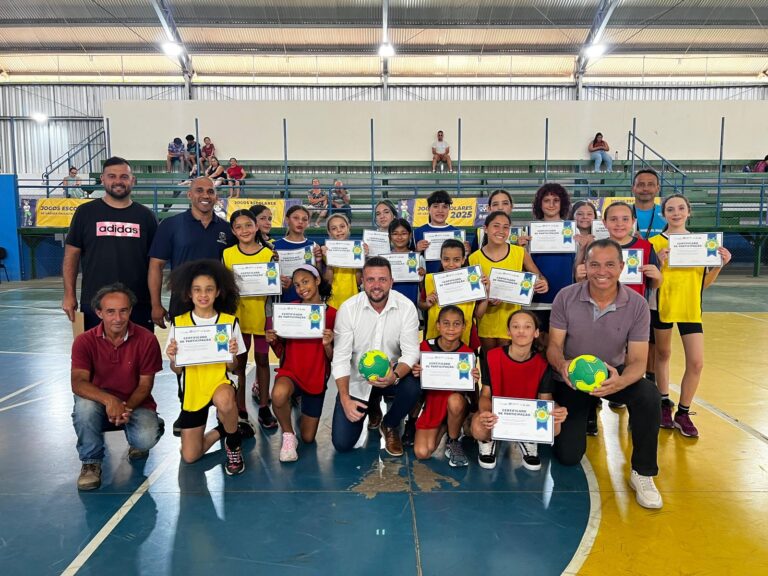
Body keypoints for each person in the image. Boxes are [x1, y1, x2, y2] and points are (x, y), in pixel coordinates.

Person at [547, 238, 663, 509]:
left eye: (610, 265)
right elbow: (553, 346)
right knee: (568, 456)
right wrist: (562, 365)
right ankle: (581, 415)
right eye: (595, 264)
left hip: (612, 372)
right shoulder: (566, 296)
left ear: (622, 266)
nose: (602, 271)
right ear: (585, 266)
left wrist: (618, 383)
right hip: (572, 377)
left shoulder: (637, 304)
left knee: (649, 395)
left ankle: (643, 472)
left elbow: (638, 361)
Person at [650, 194, 731, 438]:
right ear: (663, 214)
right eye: (670, 209)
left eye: (681, 208)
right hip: (662, 306)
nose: (676, 213)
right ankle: (664, 404)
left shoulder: (702, 244)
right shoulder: (654, 243)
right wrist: (658, 263)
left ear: (688, 212)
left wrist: (719, 265)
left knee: (696, 362)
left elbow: (703, 284)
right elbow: (650, 283)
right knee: (662, 355)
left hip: (690, 308)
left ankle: (683, 413)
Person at [580, 200, 663, 435]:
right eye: (613, 219)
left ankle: (634, 409)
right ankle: (590, 408)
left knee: (633, 361)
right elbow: (582, 282)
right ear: (604, 222)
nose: (619, 223)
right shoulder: (595, 248)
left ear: (633, 222)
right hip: (599, 313)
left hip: (632, 315)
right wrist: (579, 274)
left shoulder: (646, 247)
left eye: (625, 219)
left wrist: (657, 276)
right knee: (594, 360)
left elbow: (655, 284)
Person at [71, 284, 164, 491]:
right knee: (84, 407)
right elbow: (78, 383)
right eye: (110, 312)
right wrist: (110, 401)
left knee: (144, 440)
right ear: (99, 313)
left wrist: (125, 407)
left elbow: (145, 385)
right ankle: (90, 462)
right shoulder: (84, 341)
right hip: (98, 402)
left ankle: (150, 426)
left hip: (135, 403)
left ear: (130, 310)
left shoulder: (147, 339)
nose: (118, 318)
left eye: (123, 311)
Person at [331, 257, 421, 456]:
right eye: (370, 279)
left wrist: (394, 376)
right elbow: (340, 358)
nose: (376, 285)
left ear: (391, 281)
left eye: (382, 279)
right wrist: (345, 398)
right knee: (342, 443)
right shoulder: (348, 309)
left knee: (415, 382)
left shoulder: (406, 307)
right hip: (358, 380)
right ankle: (372, 405)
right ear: (362, 281)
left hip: (392, 375)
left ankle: (389, 424)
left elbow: (411, 352)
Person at [165, 260, 246, 476]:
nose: (203, 295)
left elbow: (233, 366)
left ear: (218, 292)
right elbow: (177, 371)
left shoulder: (229, 322)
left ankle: (233, 443)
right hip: (193, 390)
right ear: (189, 293)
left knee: (225, 400)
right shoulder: (179, 324)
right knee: (190, 456)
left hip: (220, 382)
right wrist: (173, 358)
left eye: (209, 289)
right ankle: (224, 429)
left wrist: (232, 354)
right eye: (197, 290)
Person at [63, 157, 158, 332]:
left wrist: (156, 302)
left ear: (132, 180)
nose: (118, 181)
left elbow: (155, 264)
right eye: (112, 176)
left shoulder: (146, 216)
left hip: (138, 303)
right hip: (95, 303)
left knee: (139, 350)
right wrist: (69, 295)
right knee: (97, 350)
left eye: (124, 177)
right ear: (102, 179)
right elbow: (71, 255)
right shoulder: (85, 213)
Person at [472, 310, 567, 470]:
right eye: (515, 326)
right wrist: (486, 413)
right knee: (478, 428)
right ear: (508, 332)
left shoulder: (543, 363)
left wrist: (556, 410)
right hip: (498, 414)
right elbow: (485, 394)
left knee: (555, 426)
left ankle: (528, 439)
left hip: (527, 417)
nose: (521, 331)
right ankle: (488, 441)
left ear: (536, 332)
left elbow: (545, 398)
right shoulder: (492, 356)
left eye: (527, 327)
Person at [266, 265, 336, 462]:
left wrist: (328, 344)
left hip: (316, 377)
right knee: (278, 395)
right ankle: (288, 435)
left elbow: (333, 358)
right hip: (291, 372)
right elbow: (281, 350)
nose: (301, 288)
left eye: (305, 282)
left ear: (317, 280)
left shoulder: (332, 314)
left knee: (308, 437)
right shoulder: (289, 310)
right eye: (297, 285)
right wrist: (273, 340)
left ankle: (298, 404)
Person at [148, 176, 232, 328]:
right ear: (189, 195)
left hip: (218, 303)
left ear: (216, 197)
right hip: (182, 303)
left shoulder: (227, 229)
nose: (205, 195)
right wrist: (156, 304)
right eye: (199, 190)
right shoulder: (170, 225)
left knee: (220, 344)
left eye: (210, 191)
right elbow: (156, 265)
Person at [223, 210, 276, 432]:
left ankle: (264, 406)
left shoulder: (268, 254)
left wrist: (278, 281)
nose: (244, 230)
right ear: (233, 231)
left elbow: (274, 288)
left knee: (263, 361)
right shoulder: (227, 254)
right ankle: (241, 409)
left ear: (256, 227)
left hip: (262, 316)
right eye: (238, 226)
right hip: (237, 318)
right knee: (239, 365)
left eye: (248, 225)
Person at [469, 211, 548, 354]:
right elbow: (472, 294)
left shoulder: (519, 252)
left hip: (513, 320)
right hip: (486, 320)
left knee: (509, 360)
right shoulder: (474, 258)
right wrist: (485, 300)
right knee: (489, 361)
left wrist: (542, 283)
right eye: (496, 226)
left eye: (506, 227)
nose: (501, 231)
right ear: (485, 229)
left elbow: (538, 276)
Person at [412, 306, 480, 467]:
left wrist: (473, 381)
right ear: (438, 325)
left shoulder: (467, 353)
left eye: (456, 324)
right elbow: (414, 382)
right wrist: (415, 371)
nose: (451, 328)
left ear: (464, 327)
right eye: (446, 323)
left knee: (455, 401)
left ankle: (453, 439)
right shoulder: (425, 347)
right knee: (422, 452)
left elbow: (472, 391)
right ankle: (445, 426)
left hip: (455, 404)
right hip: (433, 403)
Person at [526, 184, 575, 337]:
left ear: (562, 203)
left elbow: (577, 265)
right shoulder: (529, 230)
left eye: (556, 200)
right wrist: (520, 248)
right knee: (539, 344)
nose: (551, 204)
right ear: (540, 204)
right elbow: (524, 264)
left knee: (561, 345)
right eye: (546, 200)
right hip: (537, 299)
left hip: (564, 299)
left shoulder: (572, 230)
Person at [273, 205, 322, 303]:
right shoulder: (274, 246)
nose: (300, 222)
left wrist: (319, 261)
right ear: (287, 220)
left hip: (308, 301)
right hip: (283, 301)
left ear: (308, 223)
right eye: (296, 218)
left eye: (304, 219)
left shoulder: (313, 246)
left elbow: (318, 279)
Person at [414, 189, 469, 275]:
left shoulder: (457, 233)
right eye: (436, 206)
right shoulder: (418, 232)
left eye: (445, 207)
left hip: (452, 279)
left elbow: (464, 261)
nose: (440, 210)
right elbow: (410, 262)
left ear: (449, 209)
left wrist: (467, 252)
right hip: (428, 279)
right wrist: (417, 250)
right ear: (428, 209)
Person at [322, 213, 362, 311]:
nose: (339, 230)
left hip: (353, 301)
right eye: (334, 228)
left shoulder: (356, 250)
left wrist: (360, 261)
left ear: (348, 227)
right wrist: (329, 261)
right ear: (329, 232)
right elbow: (328, 282)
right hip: (332, 302)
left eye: (342, 226)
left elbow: (358, 281)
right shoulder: (325, 251)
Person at [632, 169, 666, 240]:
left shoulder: (667, 213)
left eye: (650, 185)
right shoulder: (622, 212)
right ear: (633, 188)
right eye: (641, 185)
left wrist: (643, 244)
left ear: (658, 189)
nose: (645, 189)